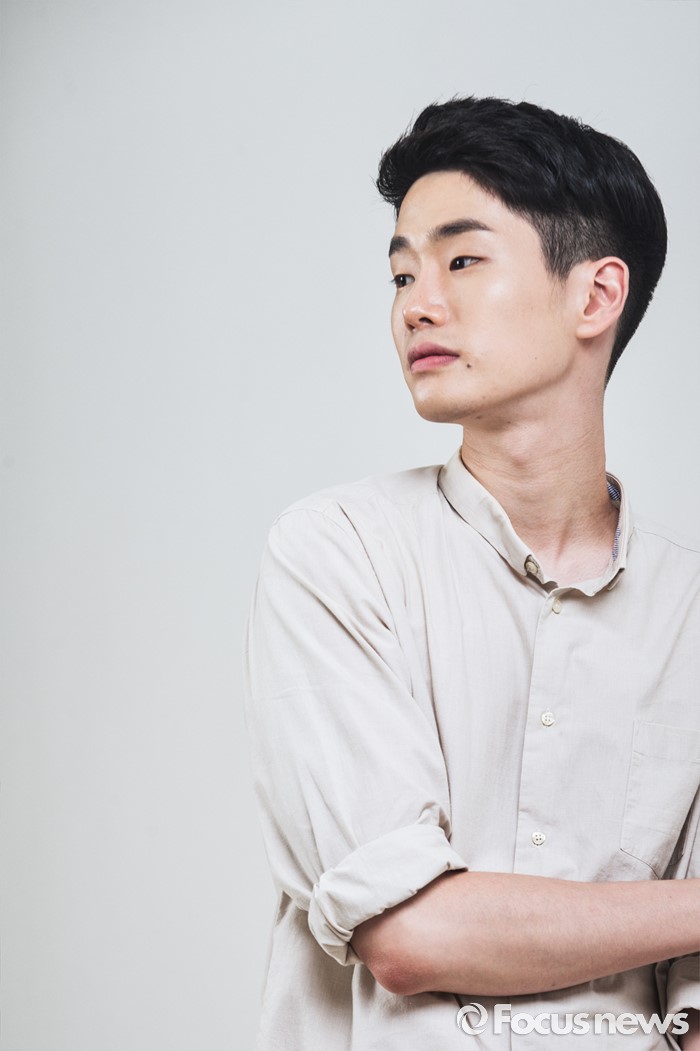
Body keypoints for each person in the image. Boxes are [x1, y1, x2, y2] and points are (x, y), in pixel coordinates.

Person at [243, 97, 700, 1049]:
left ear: (596, 296)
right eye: (401, 273)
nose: (416, 303)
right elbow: (409, 932)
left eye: (460, 261)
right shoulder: (339, 552)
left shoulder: (689, 611)